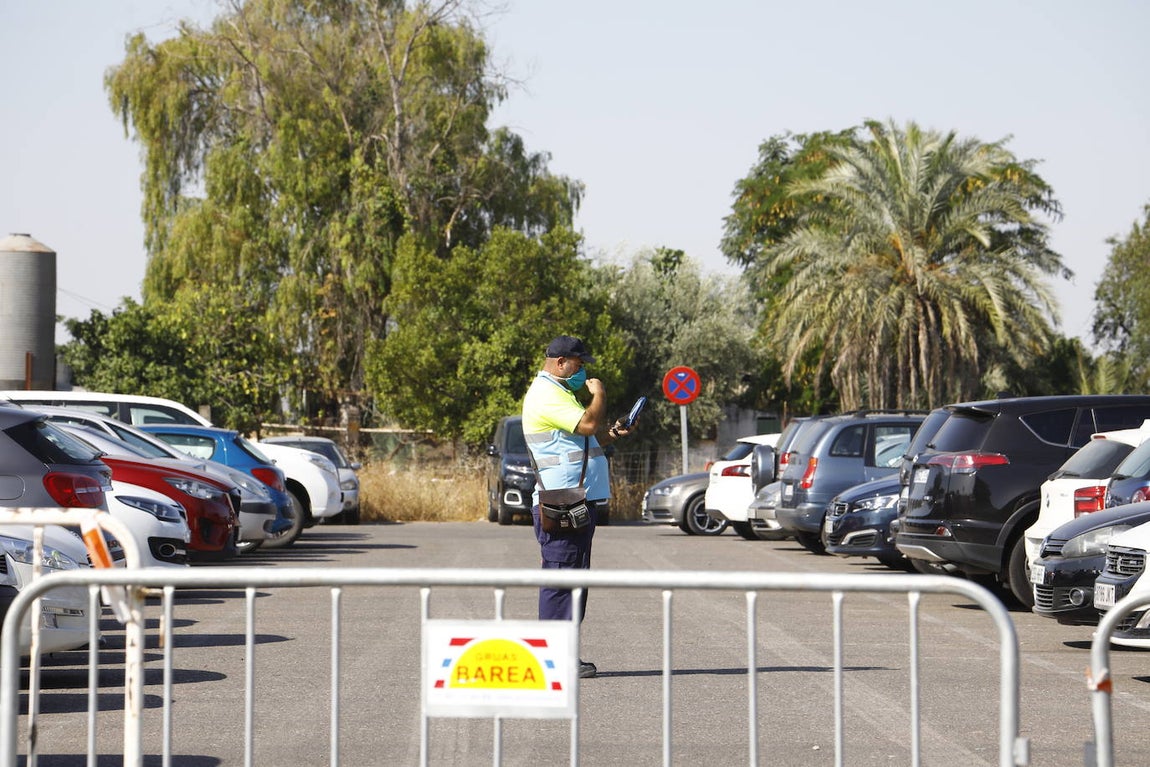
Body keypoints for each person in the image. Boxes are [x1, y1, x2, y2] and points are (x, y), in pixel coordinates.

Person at [521, 335, 636, 679]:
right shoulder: (546, 394)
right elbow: (587, 423)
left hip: (574, 500)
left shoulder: (560, 394)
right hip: (560, 502)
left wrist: (612, 433)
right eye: (579, 363)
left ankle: (563, 658)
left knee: (572, 581)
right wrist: (599, 394)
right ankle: (553, 663)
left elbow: (584, 440)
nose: (583, 370)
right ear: (560, 362)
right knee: (561, 581)